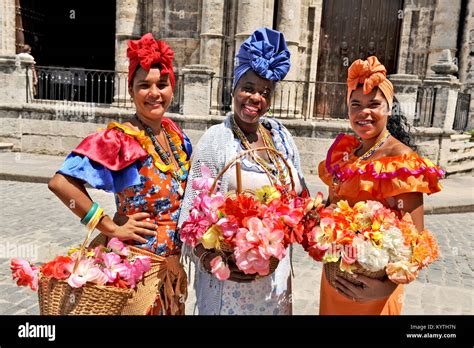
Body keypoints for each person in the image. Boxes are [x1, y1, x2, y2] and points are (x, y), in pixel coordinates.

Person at [48, 33, 192, 315]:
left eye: (162, 84)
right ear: (130, 91)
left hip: (170, 273)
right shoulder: (121, 139)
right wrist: (110, 228)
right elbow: (60, 183)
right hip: (137, 272)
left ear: (172, 89)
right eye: (144, 85)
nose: (154, 93)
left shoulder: (175, 135)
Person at [178, 27, 308, 315]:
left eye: (265, 92)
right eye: (248, 88)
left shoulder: (281, 137)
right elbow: (191, 218)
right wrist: (213, 261)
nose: (256, 98)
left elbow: (300, 195)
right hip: (229, 281)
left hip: (274, 278)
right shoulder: (215, 141)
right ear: (234, 88)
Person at [317, 56, 444, 315]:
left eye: (374, 104)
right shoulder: (346, 153)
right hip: (335, 282)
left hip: (373, 295)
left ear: (388, 108)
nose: (364, 112)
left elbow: (416, 241)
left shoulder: (401, 161)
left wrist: (385, 288)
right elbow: (333, 207)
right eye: (356, 105)